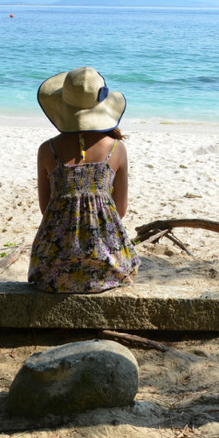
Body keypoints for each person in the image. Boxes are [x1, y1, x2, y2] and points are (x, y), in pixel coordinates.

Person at [28, 66, 140, 293]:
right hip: (107, 269)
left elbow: (45, 208)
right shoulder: (117, 149)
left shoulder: (47, 150)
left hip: (52, 271)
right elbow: (120, 209)